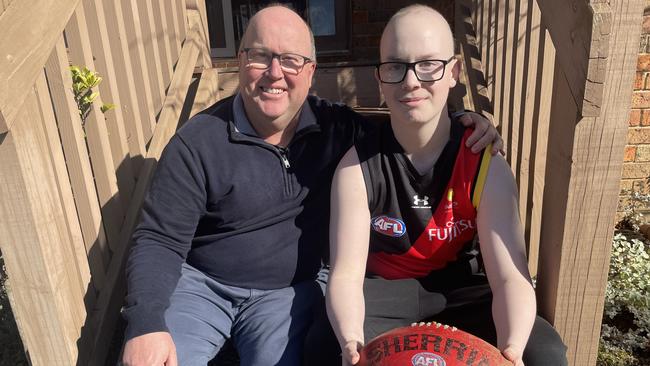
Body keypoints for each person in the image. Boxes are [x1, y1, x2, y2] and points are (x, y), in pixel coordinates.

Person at [120, 5, 502, 366]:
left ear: (311, 71)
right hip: (204, 286)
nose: (274, 72)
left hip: (287, 294)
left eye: (291, 60)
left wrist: (460, 121)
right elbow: (159, 239)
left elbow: (410, 129)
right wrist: (146, 323)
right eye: (259, 55)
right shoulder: (198, 141)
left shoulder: (338, 129)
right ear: (240, 61)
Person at [322, 5, 568, 366]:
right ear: (379, 78)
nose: (410, 81)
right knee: (323, 346)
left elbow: (510, 277)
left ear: (453, 72)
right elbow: (345, 276)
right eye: (395, 66)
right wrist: (350, 340)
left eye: (428, 65)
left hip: (463, 291)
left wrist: (511, 350)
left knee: (543, 353)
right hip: (382, 295)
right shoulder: (356, 168)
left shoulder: (485, 162)